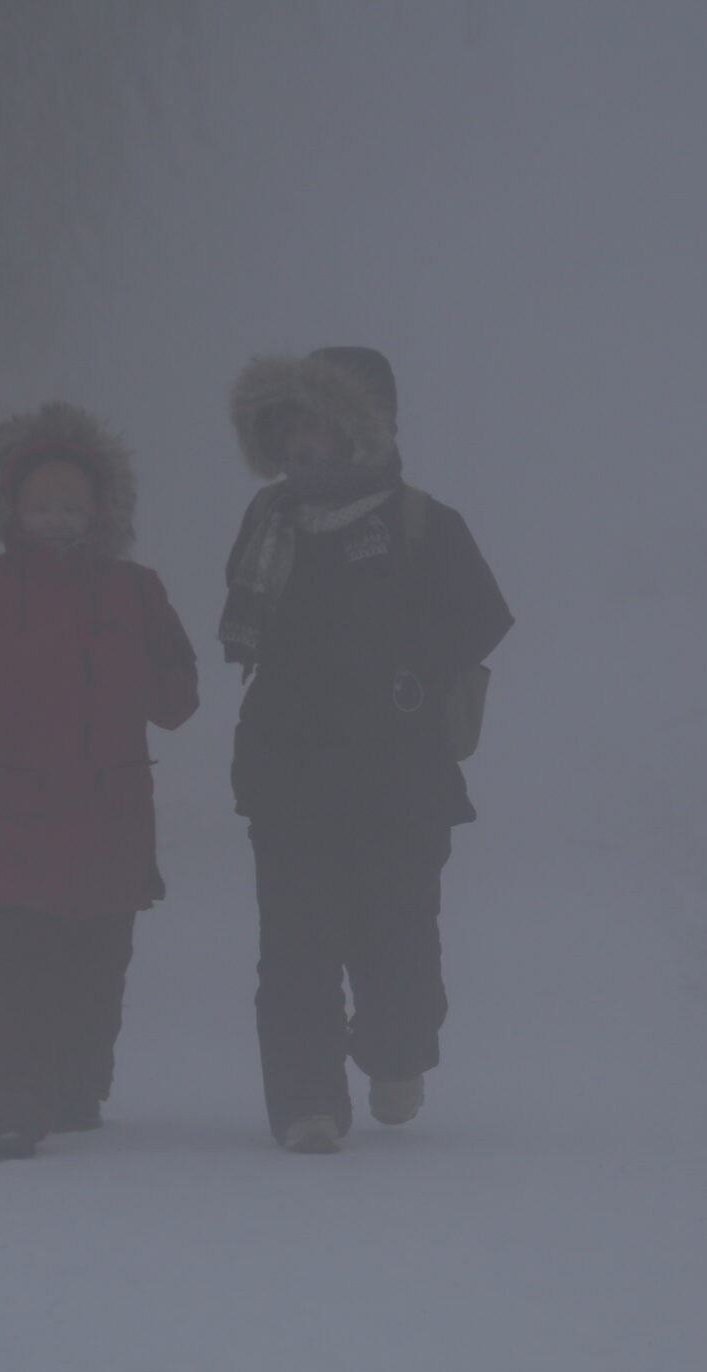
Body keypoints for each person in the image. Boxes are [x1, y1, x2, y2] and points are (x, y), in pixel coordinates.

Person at [219, 347, 513, 1153]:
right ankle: (306, 1102)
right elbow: (242, 619)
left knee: (398, 937)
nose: (304, 444)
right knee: (294, 947)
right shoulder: (267, 521)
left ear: (362, 432)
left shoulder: (422, 522)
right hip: (288, 772)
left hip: (399, 776)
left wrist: (405, 664)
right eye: (292, 428)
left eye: (322, 426)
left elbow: (484, 614)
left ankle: (397, 1053)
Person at [0, 402, 199, 1159]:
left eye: (72, 505)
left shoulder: (135, 591)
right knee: (14, 965)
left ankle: (78, 1083)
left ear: (101, 511)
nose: (57, 519)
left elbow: (179, 691)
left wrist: (141, 683)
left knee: (99, 965)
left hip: (109, 818)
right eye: (41, 505)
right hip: (12, 820)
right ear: (12, 509)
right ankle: (12, 1098)